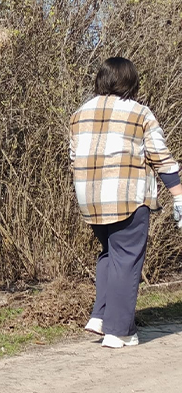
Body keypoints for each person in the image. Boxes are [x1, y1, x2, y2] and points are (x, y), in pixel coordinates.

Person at [69, 56, 182, 349]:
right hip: (127, 197)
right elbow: (161, 157)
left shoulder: (80, 113)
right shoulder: (139, 113)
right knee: (128, 258)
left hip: (90, 199)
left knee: (110, 252)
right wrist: (178, 194)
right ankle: (118, 331)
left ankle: (100, 316)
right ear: (131, 82)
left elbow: (73, 155)